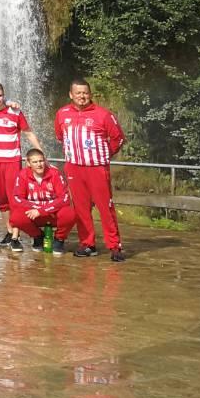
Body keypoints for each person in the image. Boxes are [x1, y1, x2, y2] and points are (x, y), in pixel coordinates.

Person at [55, 79, 127, 262]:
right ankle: (87, 244)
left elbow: (118, 139)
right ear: (71, 94)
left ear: (90, 94)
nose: (82, 96)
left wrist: (104, 155)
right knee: (81, 208)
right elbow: (60, 136)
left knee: (105, 207)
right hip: (73, 167)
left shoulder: (103, 115)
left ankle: (114, 246)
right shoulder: (62, 113)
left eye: (85, 93)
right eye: (78, 93)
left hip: (96, 168)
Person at [0, 81, 43, 248]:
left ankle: (16, 236)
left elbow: (28, 133)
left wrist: (41, 153)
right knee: (1, 200)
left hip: (12, 161)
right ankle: (10, 231)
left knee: (14, 198)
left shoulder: (15, 111)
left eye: (0, 95)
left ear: (4, 95)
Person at [10, 148, 76, 255]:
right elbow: (17, 199)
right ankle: (37, 236)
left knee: (70, 214)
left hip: (52, 213)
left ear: (44, 160)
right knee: (16, 218)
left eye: (41, 161)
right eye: (35, 162)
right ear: (28, 163)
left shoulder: (55, 173)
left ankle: (59, 239)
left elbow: (64, 198)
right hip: (34, 214)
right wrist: (36, 208)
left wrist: (42, 210)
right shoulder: (22, 175)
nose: (39, 164)